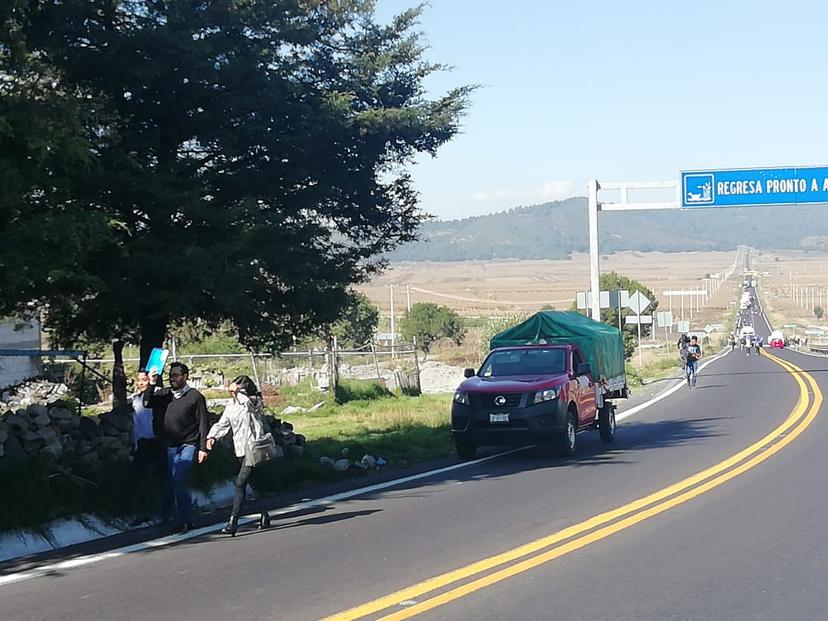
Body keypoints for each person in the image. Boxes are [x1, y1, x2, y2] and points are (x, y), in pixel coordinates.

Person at [143, 361, 210, 534]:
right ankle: (176, 517)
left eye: (176, 375)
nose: (173, 378)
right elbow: (147, 403)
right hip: (170, 446)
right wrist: (151, 383)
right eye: (171, 375)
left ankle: (184, 520)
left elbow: (203, 423)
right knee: (174, 482)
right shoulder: (164, 395)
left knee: (178, 478)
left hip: (189, 444)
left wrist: (203, 448)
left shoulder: (195, 397)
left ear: (185, 376)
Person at [205, 375, 272, 537]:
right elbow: (223, 422)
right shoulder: (232, 405)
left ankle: (233, 522)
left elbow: (253, 405)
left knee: (240, 483)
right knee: (254, 483)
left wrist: (240, 393)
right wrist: (212, 436)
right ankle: (265, 514)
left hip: (254, 448)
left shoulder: (252, 402)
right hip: (240, 450)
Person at [127, 369, 170, 525]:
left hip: (159, 441)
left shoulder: (160, 395)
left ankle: (165, 513)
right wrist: (136, 442)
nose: (141, 383)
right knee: (137, 477)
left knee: (162, 477)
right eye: (139, 380)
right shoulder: (135, 399)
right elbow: (137, 423)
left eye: (144, 380)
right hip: (143, 443)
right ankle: (141, 511)